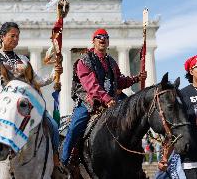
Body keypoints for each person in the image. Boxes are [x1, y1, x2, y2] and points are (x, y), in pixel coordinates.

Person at [0, 22, 63, 171]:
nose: (16, 39)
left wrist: (53, 74)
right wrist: (3, 94)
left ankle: (55, 161)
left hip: (23, 103)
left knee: (53, 126)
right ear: (2, 37)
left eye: (18, 36)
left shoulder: (23, 59)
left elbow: (36, 80)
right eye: (12, 36)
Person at [61, 28, 147, 166]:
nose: (102, 39)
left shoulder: (111, 62)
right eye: (99, 37)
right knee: (75, 127)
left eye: (105, 37)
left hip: (112, 100)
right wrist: (107, 99)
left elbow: (119, 80)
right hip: (89, 101)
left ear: (108, 42)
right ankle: (63, 162)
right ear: (93, 41)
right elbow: (91, 86)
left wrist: (136, 78)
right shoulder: (84, 61)